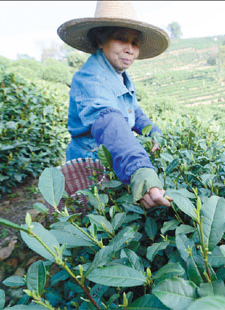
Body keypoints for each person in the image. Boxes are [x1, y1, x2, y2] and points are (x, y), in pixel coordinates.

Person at [57, 1, 171, 209]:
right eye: (120, 38)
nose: (130, 49)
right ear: (100, 40)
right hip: (89, 168)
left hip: (114, 158)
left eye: (135, 42)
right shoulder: (89, 79)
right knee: (89, 217)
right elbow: (110, 122)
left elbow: (133, 111)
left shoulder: (120, 76)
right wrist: (141, 171)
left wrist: (153, 132)